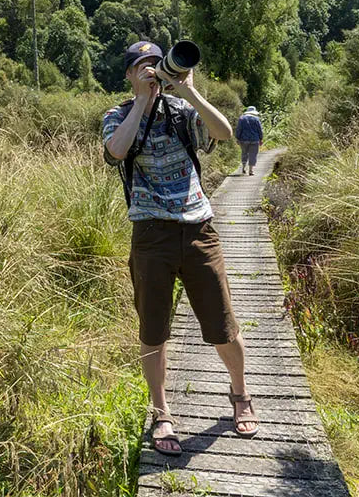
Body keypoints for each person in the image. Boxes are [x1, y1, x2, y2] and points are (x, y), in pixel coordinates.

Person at [102, 41, 259, 457]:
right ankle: (162, 412)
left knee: (222, 321)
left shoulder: (182, 111)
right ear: (129, 75)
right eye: (142, 66)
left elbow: (223, 133)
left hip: (198, 228)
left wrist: (187, 90)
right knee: (153, 329)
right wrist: (141, 101)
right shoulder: (117, 115)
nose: (152, 70)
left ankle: (240, 395)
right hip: (151, 233)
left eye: (157, 63)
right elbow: (116, 151)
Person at [235, 106, 263, 176]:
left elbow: (239, 129)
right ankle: (251, 170)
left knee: (244, 153)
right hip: (255, 139)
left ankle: (244, 167)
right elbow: (260, 130)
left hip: (243, 139)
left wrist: (237, 138)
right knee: (253, 154)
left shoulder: (241, 119)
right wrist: (261, 138)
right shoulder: (256, 119)